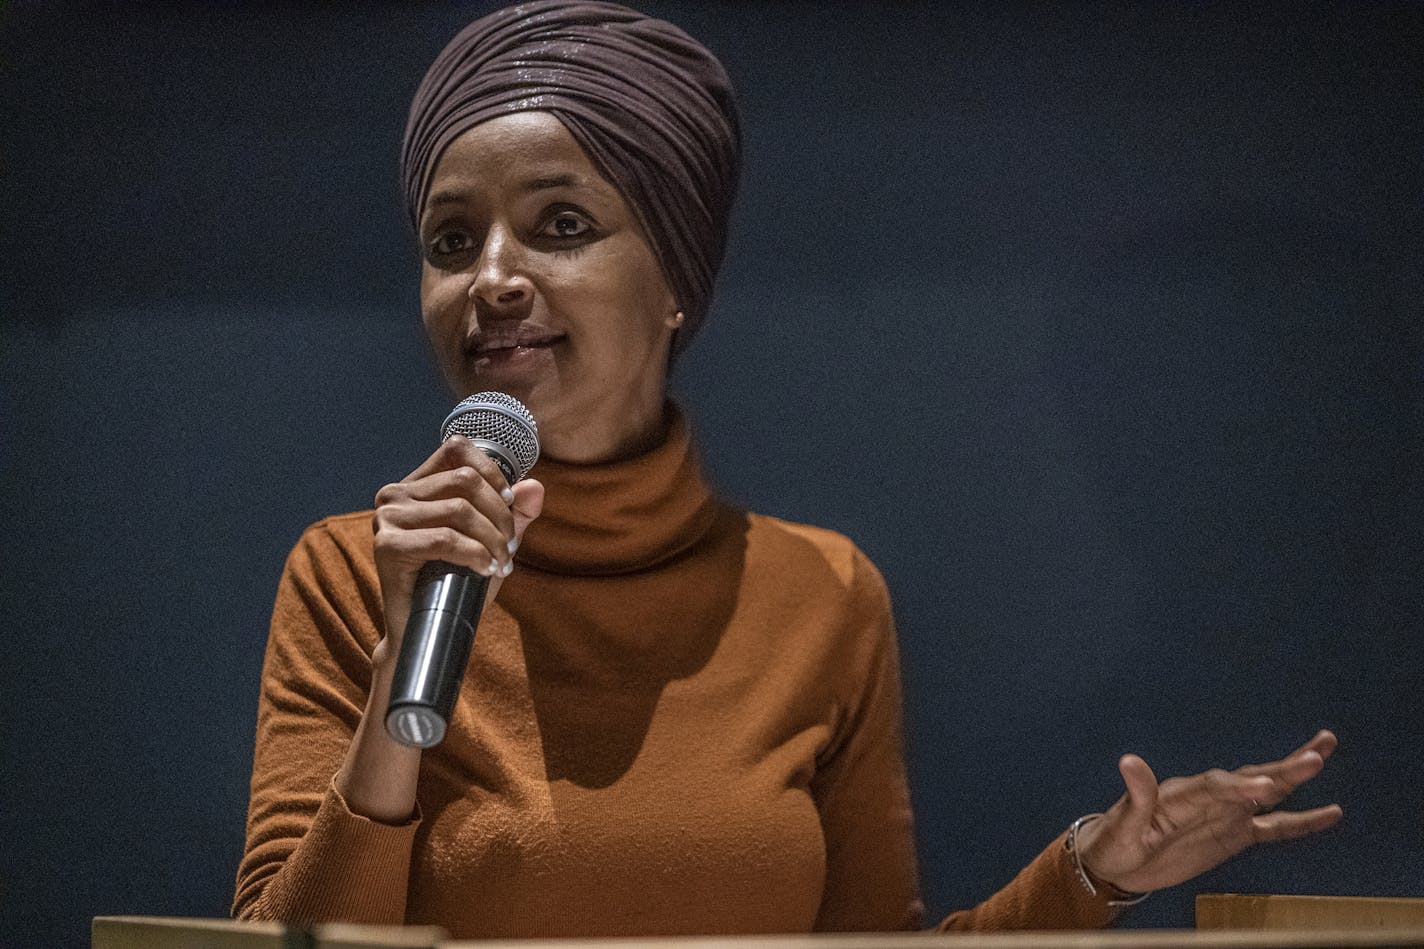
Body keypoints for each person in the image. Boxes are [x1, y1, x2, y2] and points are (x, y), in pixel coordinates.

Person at [233, 1, 1341, 937]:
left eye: (559, 223)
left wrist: (1092, 873)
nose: (491, 278)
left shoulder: (820, 594)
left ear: (675, 278)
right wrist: (400, 673)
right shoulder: (352, 575)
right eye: (448, 241)